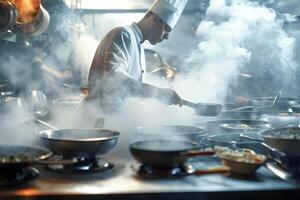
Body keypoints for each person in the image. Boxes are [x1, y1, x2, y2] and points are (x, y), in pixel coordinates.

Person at [88, 0, 188, 113]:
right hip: (98, 120)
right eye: (166, 29)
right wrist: (157, 93)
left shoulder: (138, 46)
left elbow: (133, 91)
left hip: (113, 121)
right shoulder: (123, 34)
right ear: (154, 19)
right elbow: (114, 78)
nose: (167, 37)